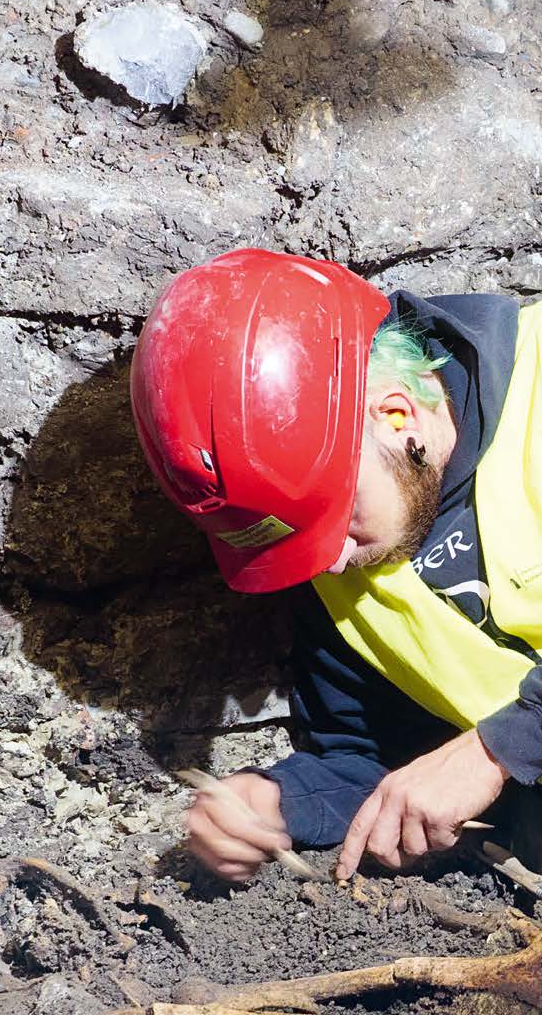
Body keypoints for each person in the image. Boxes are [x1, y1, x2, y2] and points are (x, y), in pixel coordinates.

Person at [129, 246, 542, 883]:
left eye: (337, 517)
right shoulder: (334, 560)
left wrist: (497, 749)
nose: (332, 560)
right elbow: (369, 753)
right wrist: (276, 802)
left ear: (397, 412)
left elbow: (466, 766)